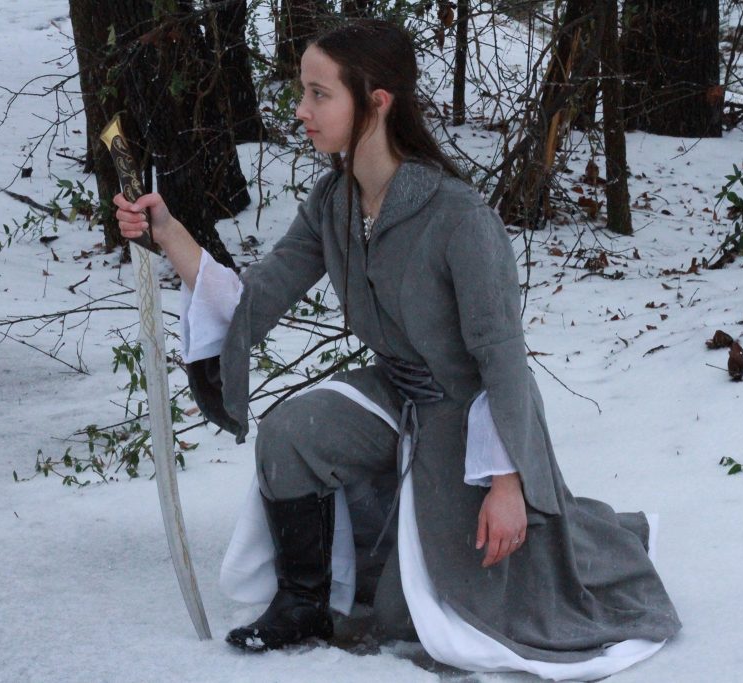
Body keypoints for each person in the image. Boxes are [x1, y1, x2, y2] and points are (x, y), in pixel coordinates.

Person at [115, 19, 680, 679]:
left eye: (320, 94)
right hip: (397, 392)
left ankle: (579, 533)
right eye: (303, 91)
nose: (301, 111)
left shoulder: (458, 218)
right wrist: (169, 231)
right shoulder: (332, 202)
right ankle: (305, 604)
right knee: (292, 432)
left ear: (377, 101)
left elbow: (502, 358)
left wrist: (507, 483)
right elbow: (253, 300)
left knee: (406, 619)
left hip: (473, 422)